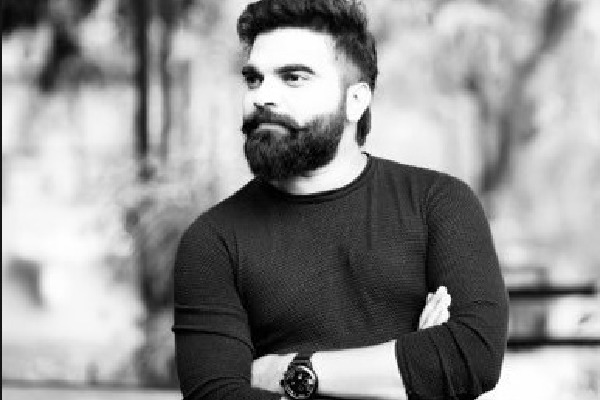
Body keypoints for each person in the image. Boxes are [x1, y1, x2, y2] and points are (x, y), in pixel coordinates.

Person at [172, 0, 509, 399]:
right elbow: (216, 395)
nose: (262, 96)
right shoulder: (213, 242)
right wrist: (410, 370)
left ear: (356, 101)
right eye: (254, 79)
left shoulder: (439, 204)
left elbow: (472, 354)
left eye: (293, 78)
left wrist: (292, 372)